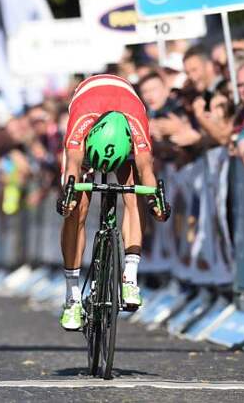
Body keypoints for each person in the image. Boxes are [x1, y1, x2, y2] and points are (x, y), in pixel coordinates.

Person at [57, 74, 170, 331]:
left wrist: (156, 203)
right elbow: (72, 167)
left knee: (134, 193)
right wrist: (68, 197)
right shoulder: (80, 126)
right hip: (90, 118)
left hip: (123, 126)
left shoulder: (136, 125)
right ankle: (71, 297)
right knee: (76, 209)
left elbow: (147, 172)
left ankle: (130, 277)